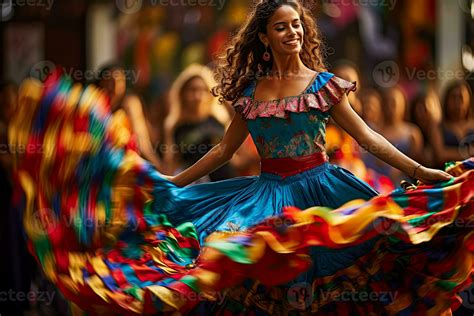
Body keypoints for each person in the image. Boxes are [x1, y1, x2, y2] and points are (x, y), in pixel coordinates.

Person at [10, 1, 473, 315]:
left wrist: (420, 171)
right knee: (248, 277)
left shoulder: (325, 84)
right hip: (264, 195)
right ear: (265, 37)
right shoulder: (250, 93)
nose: (291, 31)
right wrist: (177, 182)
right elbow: (224, 150)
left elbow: (368, 138)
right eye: (280, 26)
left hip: (324, 190)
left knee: (347, 274)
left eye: (296, 24)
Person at [162, 64, 235, 183]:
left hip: (225, 185)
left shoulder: (220, 121)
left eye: (203, 90)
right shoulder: (176, 127)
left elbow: (234, 156)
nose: (198, 96)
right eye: (192, 90)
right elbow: (171, 163)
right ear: (182, 94)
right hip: (196, 190)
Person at [97, 63, 163, 171]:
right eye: (108, 80)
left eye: (118, 81)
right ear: (100, 82)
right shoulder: (94, 106)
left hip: (130, 166)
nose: (113, 86)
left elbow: (141, 141)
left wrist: (158, 169)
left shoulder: (130, 103)